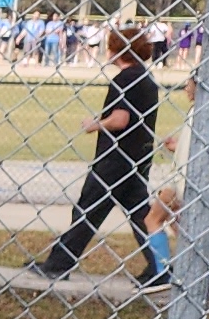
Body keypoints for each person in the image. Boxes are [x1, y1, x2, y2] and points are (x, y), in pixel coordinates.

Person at [31, 24, 164, 283]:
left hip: (115, 158)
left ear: (119, 50)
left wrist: (96, 125)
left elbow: (121, 119)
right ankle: (160, 266)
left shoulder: (125, 79)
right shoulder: (145, 78)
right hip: (137, 156)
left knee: (88, 210)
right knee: (140, 214)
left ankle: (58, 264)